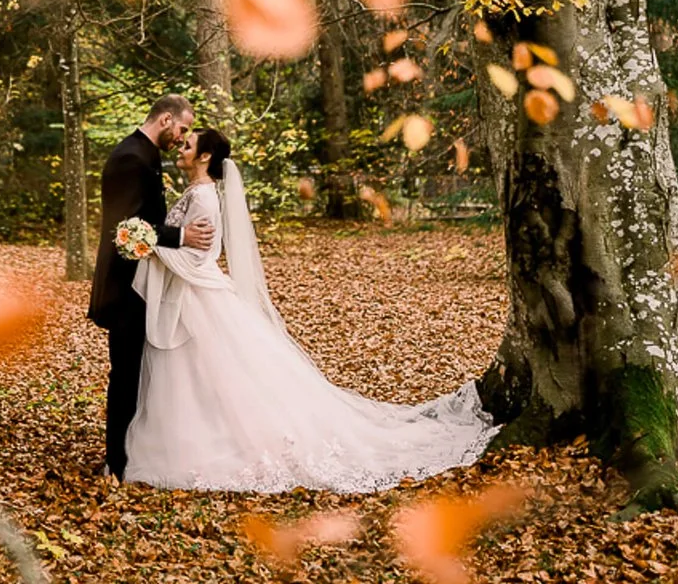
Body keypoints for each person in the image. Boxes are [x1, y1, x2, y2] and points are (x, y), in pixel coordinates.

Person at [120, 127, 498, 492]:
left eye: (188, 145)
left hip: (199, 298)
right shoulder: (196, 191)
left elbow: (200, 257)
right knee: (203, 379)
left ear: (205, 157)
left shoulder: (204, 198)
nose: (181, 149)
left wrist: (150, 244)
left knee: (211, 375)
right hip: (192, 297)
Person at [85, 94, 215, 480]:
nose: (182, 137)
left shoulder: (145, 153)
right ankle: (118, 463)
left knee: (136, 373)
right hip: (125, 288)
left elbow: (141, 222)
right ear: (164, 120)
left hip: (142, 284)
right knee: (125, 375)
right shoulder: (131, 158)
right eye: (183, 129)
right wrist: (182, 236)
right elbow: (126, 228)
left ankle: (130, 453)